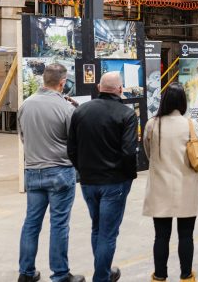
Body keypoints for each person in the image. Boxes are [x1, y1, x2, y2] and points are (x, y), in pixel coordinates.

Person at [68, 72, 137, 282]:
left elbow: (71, 149)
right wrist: (128, 176)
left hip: (89, 181)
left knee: (97, 228)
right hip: (114, 182)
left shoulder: (81, 111)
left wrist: (83, 170)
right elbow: (128, 152)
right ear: (120, 89)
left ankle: (103, 273)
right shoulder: (127, 114)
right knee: (108, 233)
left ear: (99, 87)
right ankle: (101, 277)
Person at [18, 64, 84, 282]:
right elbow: (74, 142)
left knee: (31, 223)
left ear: (43, 79)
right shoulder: (66, 108)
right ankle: (60, 274)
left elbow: (23, 137)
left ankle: (26, 273)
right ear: (62, 83)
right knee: (59, 224)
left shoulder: (26, 105)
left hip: (33, 171)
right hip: (59, 172)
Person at [143, 83, 198, 282]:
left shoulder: (152, 124)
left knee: (161, 236)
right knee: (186, 235)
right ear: (182, 102)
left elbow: (148, 153)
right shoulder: (190, 124)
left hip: (159, 188)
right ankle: (186, 276)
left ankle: (159, 276)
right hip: (187, 187)